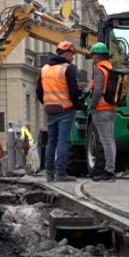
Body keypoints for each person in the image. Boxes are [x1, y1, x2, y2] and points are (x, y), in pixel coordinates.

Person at [36, 41, 81, 182]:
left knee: (51, 141)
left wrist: (48, 103)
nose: (72, 58)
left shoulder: (44, 69)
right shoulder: (67, 69)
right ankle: (61, 173)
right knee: (63, 141)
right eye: (72, 55)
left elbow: (38, 91)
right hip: (65, 109)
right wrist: (77, 104)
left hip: (50, 109)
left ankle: (49, 173)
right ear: (66, 53)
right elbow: (73, 91)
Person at [87, 42, 117, 181]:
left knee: (105, 141)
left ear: (98, 56)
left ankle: (109, 171)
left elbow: (98, 90)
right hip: (110, 108)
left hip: (100, 109)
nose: (93, 58)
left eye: (94, 55)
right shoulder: (110, 68)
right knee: (110, 140)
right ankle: (110, 169)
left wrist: (91, 105)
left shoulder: (99, 69)